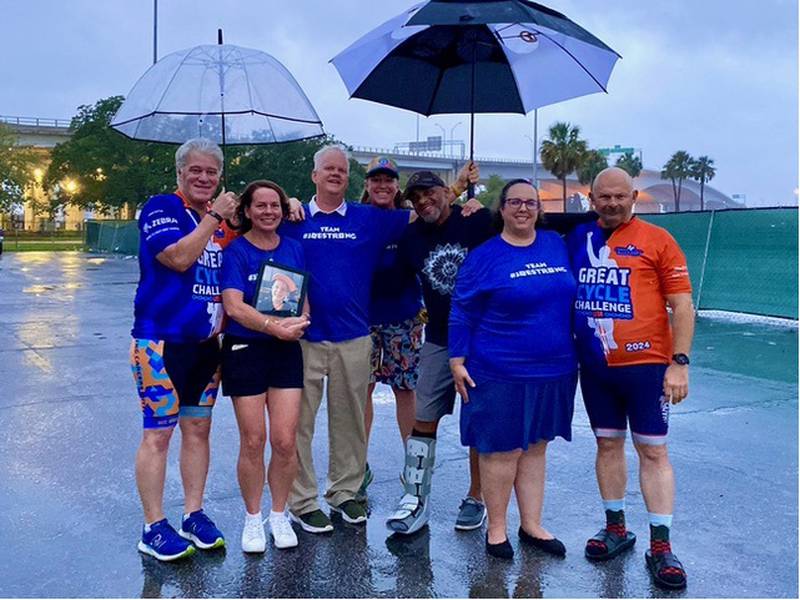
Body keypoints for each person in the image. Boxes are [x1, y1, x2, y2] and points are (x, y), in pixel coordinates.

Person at [566, 167, 694, 589]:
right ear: (591, 197)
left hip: (648, 367)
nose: (613, 203)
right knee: (607, 444)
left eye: (621, 196)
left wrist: (680, 362)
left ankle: (661, 546)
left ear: (634, 196)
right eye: (604, 197)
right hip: (597, 368)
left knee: (653, 452)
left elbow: (683, 305)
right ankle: (616, 527)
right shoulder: (577, 238)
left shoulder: (658, 240)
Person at [280, 144, 413, 533]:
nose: (336, 174)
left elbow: (427, 216)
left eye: (341, 169)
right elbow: (251, 216)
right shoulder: (294, 217)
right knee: (298, 424)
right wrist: (285, 200)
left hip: (354, 337)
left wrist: (462, 197)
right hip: (302, 336)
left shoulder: (369, 218)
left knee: (350, 422)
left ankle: (345, 493)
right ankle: (302, 500)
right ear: (314, 176)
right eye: (328, 169)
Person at [449, 179, 578, 559]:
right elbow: (462, 309)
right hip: (498, 370)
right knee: (501, 451)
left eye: (531, 203)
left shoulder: (556, 244)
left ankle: (532, 525)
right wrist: (457, 359)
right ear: (501, 209)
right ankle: (496, 530)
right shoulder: (484, 256)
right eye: (515, 202)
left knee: (536, 448)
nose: (523, 209)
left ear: (540, 209)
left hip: (555, 368)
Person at [130, 138, 238, 561]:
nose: (204, 178)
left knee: (198, 431)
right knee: (158, 435)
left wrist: (291, 205)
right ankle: (153, 525)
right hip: (160, 342)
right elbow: (177, 257)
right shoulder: (161, 208)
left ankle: (193, 513)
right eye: (195, 170)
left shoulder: (224, 219)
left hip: (207, 345)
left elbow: (265, 224)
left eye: (212, 172)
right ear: (180, 173)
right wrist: (213, 218)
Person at [386, 168, 493, 536]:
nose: (423, 201)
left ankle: (476, 497)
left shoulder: (476, 220)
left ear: (447, 193)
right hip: (438, 339)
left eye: (430, 193)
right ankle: (415, 498)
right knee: (423, 417)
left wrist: (482, 206)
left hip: (483, 338)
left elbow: (522, 234)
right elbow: (391, 277)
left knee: (479, 421)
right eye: (415, 197)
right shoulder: (411, 237)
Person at [220, 180, 311, 552]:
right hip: (246, 348)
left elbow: (302, 299)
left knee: (286, 441)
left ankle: (279, 514)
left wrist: (300, 321)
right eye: (261, 206)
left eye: (275, 205)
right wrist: (274, 326)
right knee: (253, 440)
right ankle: (253, 518)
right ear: (247, 210)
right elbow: (233, 305)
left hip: (286, 349)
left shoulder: (293, 247)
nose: (269, 212)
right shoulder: (236, 251)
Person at [357, 156, 423, 502]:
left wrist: (461, 191)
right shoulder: (354, 216)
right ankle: (357, 466)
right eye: (376, 180)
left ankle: (414, 466)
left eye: (389, 180)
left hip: (404, 316)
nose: (382, 186)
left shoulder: (409, 219)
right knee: (360, 390)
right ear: (367, 184)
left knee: (405, 389)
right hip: (362, 317)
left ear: (398, 186)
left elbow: (439, 211)